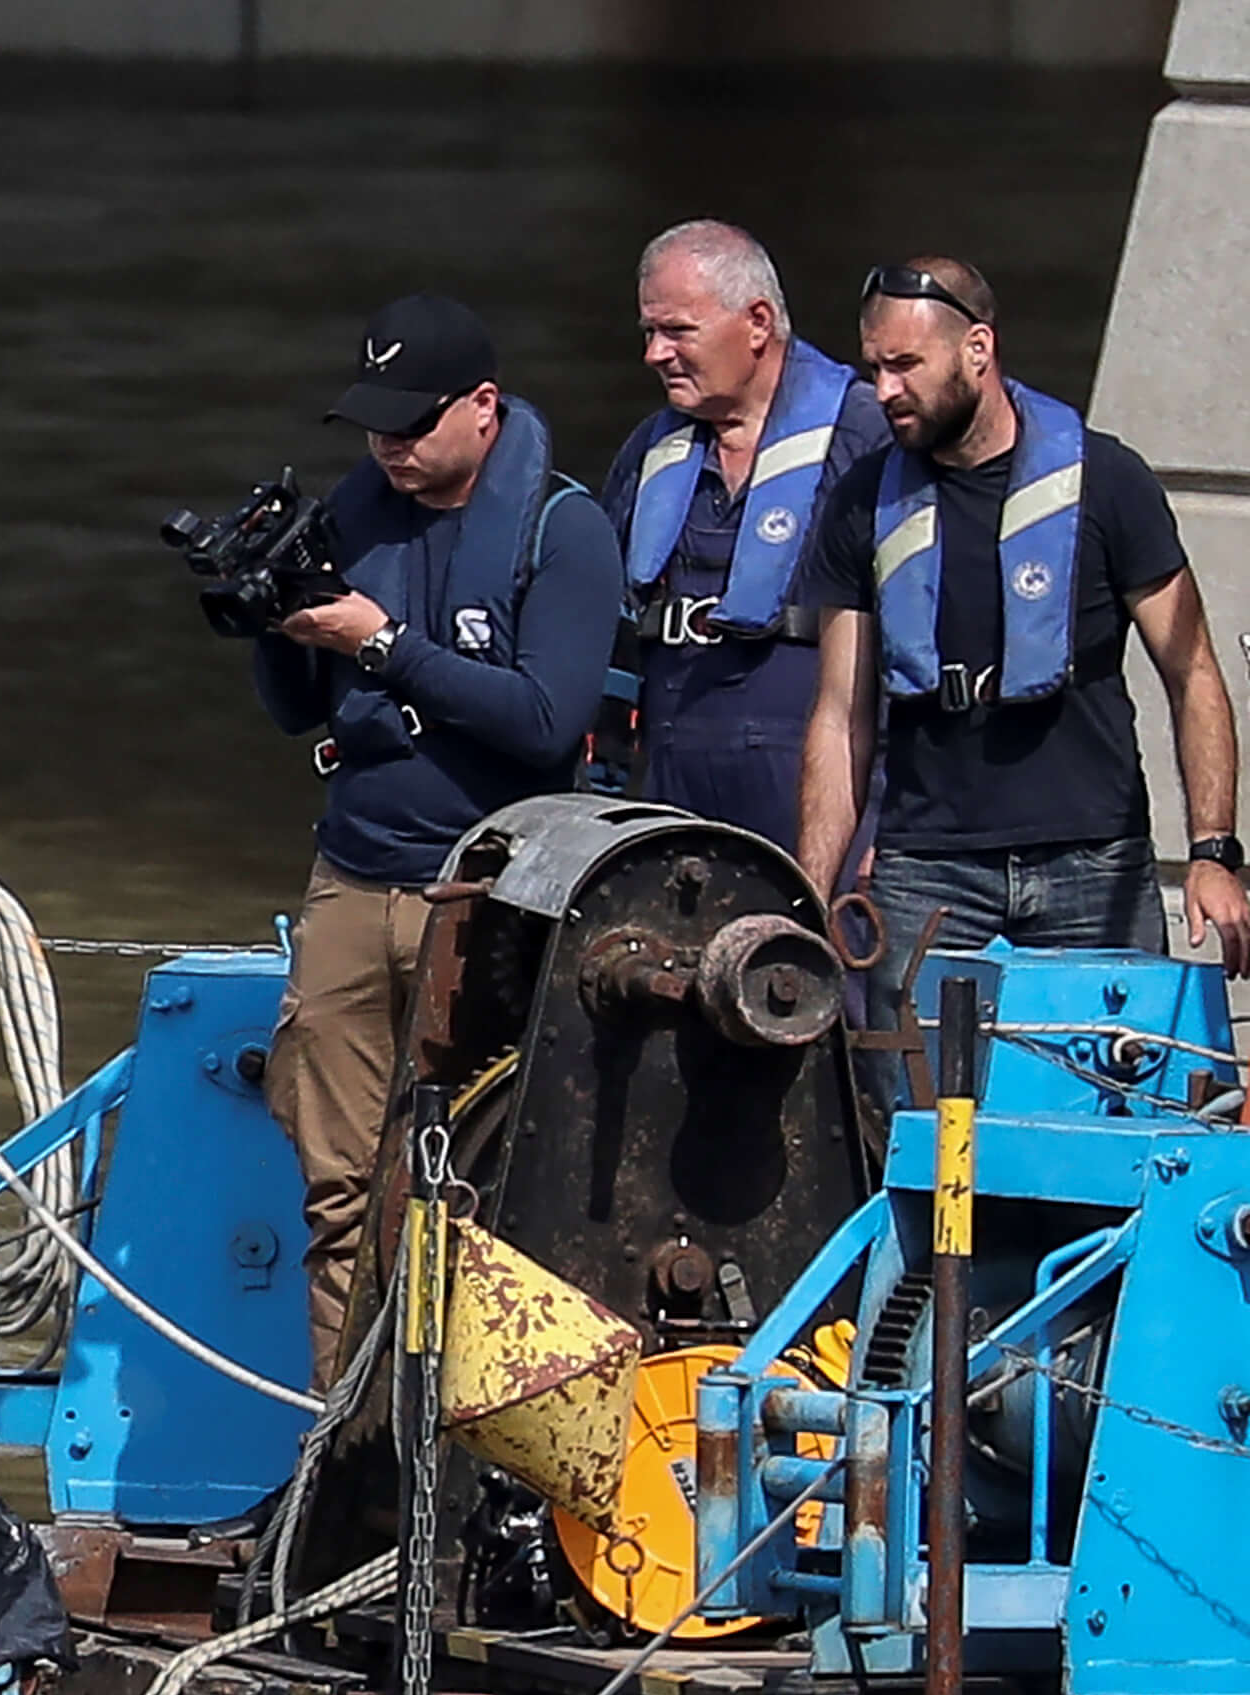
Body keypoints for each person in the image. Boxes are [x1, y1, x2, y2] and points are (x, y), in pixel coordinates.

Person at [246, 293, 621, 1384]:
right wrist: (271, 623)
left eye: (413, 425)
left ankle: (469, 1461)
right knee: (338, 1191)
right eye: (374, 428)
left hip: (491, 889)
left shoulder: (563, 529)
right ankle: (339, 1452)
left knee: (487, 1191)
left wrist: (385, 645)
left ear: (483, 409)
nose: (390, 448)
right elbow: (290, 710)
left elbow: (548, 719)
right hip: (353, 879)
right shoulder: (356, 516)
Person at [795, 256, 1248, 1013]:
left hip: (1095, 860)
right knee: (926, 1118)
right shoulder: (860, 500)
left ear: (978, 349)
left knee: (1107, 1106)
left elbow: (1193, 670)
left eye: (905, 365)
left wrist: (1212, 853)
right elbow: (841, 715)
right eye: (874, 368)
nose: (885, 392)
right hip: (928, 871)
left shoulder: (1109, 480)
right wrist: (810, 891)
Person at [596, 220, 885, 847]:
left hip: (826, 805)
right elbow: (603, 623)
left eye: (677, 331)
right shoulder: (651, 451)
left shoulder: (866, 438)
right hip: (675, 802)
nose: (654, 354)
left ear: (757, 322)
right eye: (649, 332)